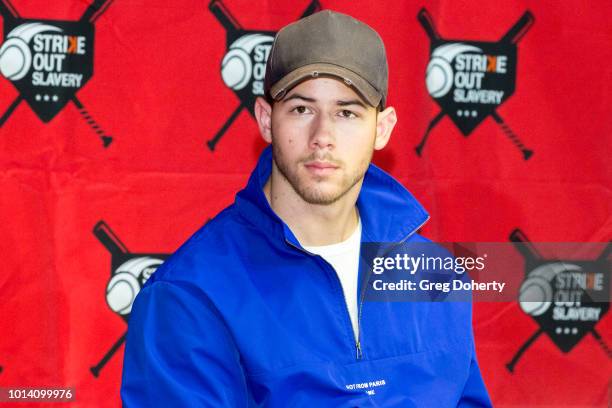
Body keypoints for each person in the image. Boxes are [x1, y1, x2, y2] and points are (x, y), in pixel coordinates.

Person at [121, 10, 492, 407]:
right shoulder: (190, 295)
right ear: (266, 119)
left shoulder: (435, 275)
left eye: (347, 113)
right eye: (301, 109)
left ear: (382, 129)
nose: (323, 137)